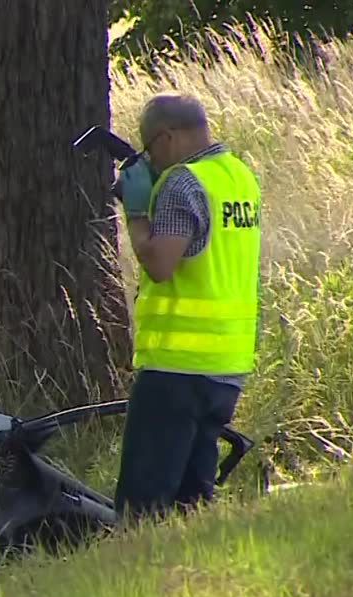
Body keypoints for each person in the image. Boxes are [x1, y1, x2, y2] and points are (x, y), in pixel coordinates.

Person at [112, 92, 262, 520]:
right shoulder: (239, 177)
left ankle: (135, 581)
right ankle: (193, 576)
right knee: (192, 504)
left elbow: (160, 263)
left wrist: (137, 211)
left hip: (178, 368)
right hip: (226, 366)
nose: (151, 161)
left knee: (144, 506)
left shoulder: (182, 182)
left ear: (167, 138)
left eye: (149, 149)